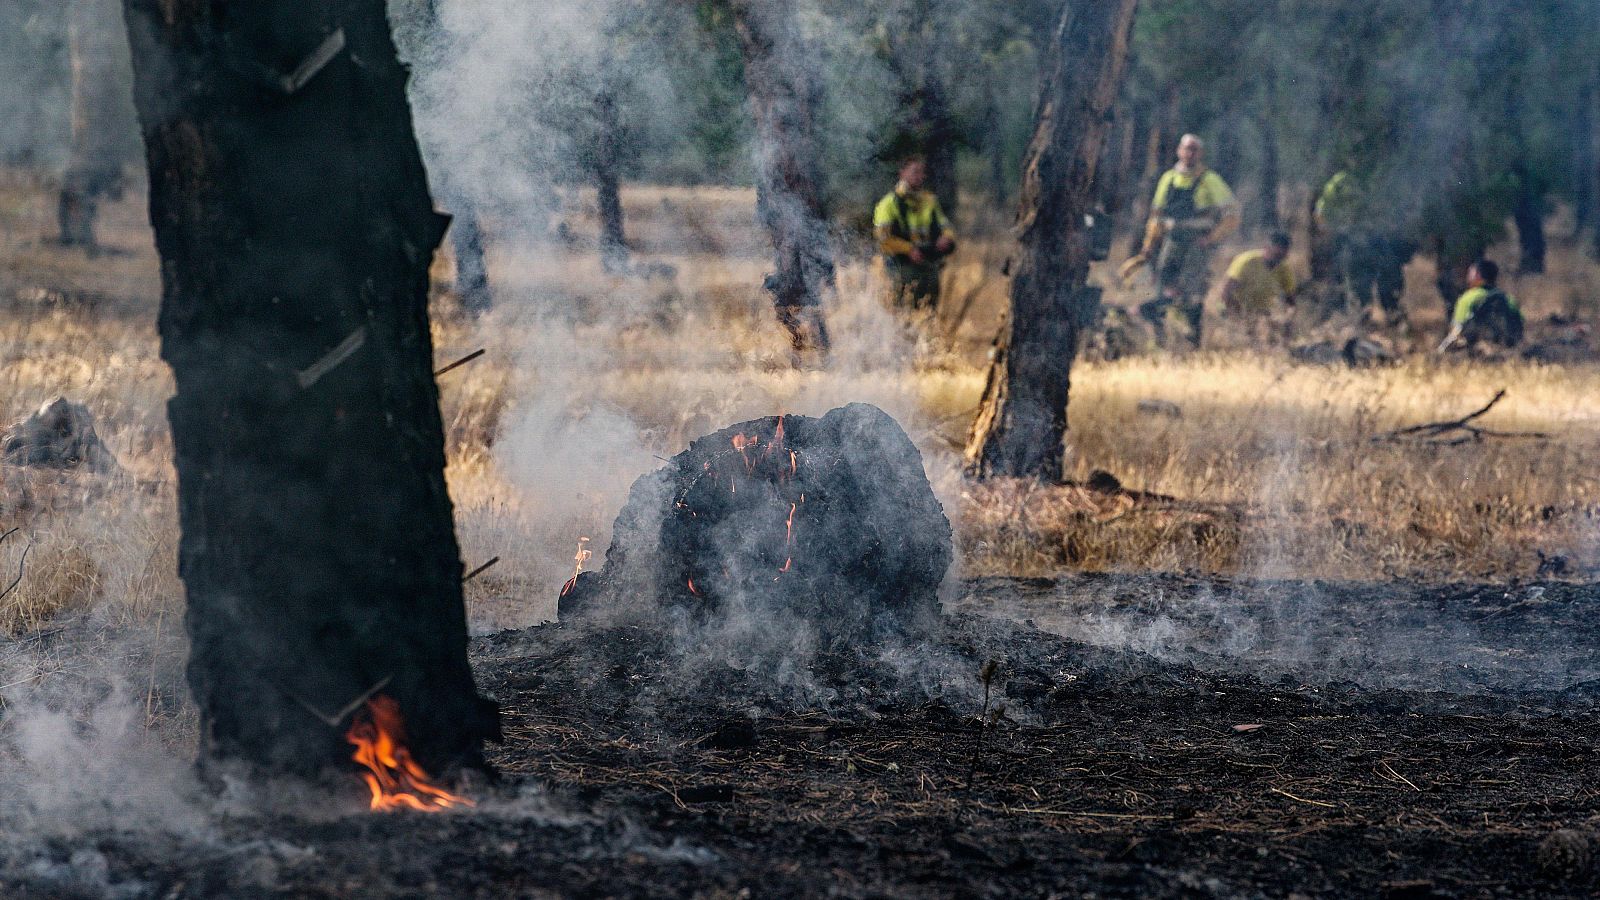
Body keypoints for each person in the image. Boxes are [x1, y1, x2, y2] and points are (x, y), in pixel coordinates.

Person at [1135, 134, 1238, 347]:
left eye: (1194, 150)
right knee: (1162, 288)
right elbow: (1156, 216)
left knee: (1192, 295)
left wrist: (1211, 238)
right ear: (1178, 151)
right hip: (1171, 241)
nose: (1189, 154)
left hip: (1196, 245)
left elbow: (1232, 214)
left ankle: (1191, 343)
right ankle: (1160, 341)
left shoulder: (1209, 179)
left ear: (1200, 154)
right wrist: (1148, 246)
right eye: (1186, 148)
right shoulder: (1168, 178)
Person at [1313, 170, 1414, 328]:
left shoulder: (1386, 178)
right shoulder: (1341, 182)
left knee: (1390, 283)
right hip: (1351, 243)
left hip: (1378, 241)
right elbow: (1322, 213)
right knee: (1355, 289)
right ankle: (1353, 325)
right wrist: (1336, 231)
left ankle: (1394, 321)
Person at [873, 157, 956, 312]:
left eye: (922, 172)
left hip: (928, 265)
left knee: (928, 312)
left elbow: (945, 226)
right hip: (901, 267)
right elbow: (883, 239)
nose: (920, 176)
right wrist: (909, 249)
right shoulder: (888, 204)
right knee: (902, 313)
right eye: (915, 172)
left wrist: (946, 238)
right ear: (902, 173)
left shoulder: (930, 201)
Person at [1220, 231, 1296, 344]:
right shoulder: (1246, 261)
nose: (1277, 261)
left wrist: (1287, 326)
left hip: (1261, 312)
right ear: (1266, 248)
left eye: (1281, 257)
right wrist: (1240, 317)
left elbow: (1290, 302)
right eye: (1276, 255)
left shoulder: (1284, 269)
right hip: (1232, 309)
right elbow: (1226, 293)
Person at [1438, 259, 1523, 352]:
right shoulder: (1509, 299)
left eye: (1471, 272)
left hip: (1474, 349)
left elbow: (1457, 328)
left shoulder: (1468, 298)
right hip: (1509, 348)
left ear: (1477, 275)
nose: (1468, 275)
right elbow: (1519, 324)